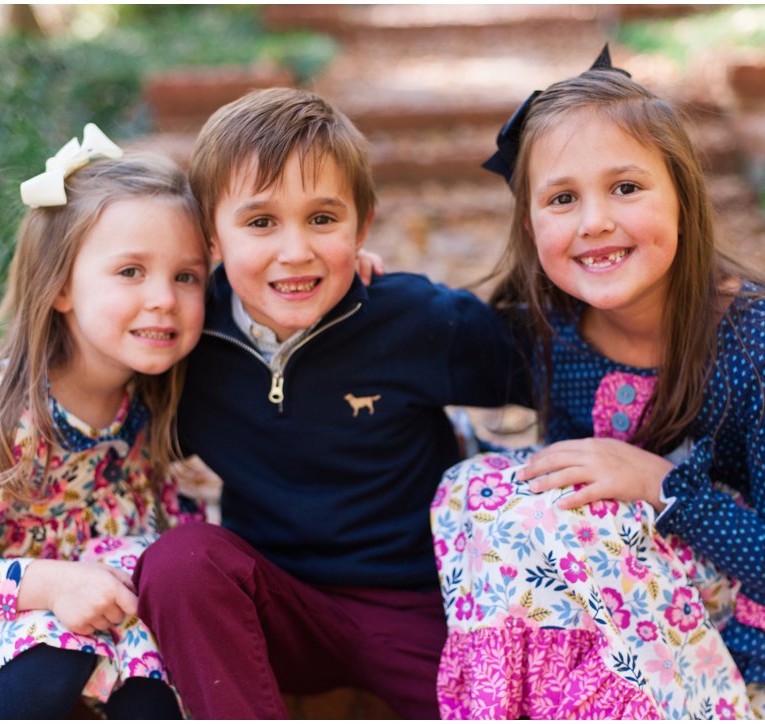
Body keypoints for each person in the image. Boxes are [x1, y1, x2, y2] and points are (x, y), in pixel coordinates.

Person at [432, 48, 765, 719]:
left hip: (761, 595)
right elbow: (415, 342)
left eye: (626, 187)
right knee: (483, 493)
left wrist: (655, 482)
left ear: (682, 195)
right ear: (531, 225)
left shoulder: (762, 344)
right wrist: (355, 285)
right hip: (628, 595)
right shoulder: (547, 328)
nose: (594, 222)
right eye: (562, 198)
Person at [128, 87, 529, 719]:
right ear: (211, 236)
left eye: (322, 219)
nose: (296, 251)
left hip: (415, 605)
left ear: (361, 225)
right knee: (180, 563)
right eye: (260, 222)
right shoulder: (189, 337)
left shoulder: (412, 321)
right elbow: (96, 367)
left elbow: (548, 368)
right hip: (275, 604)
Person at [0, 125, 212, 719]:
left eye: (186, 276)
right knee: (58, 653)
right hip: (0, 642)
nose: (165, 299)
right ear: (61, 286)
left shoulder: (154, 399)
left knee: (156, 686)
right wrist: (53, 584)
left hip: (114, 630)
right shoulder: (6, 418)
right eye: (130, 272)